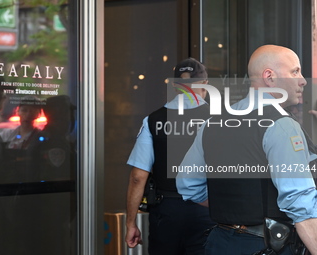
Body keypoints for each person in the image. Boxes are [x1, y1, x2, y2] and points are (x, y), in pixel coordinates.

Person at [176, 45, 317, 255]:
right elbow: (299, 202)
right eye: (295, 72)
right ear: (269, 77)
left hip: (220, 243)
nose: (303, 80)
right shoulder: (281, 125)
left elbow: (187, 184)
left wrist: (236, 211)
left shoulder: (211, 124)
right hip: (268, 245)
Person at [125, 58, 215, 255]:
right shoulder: (219, 120)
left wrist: (131, 222)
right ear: (205, 84)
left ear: (174, 86)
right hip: (208, 210)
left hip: (166, 211)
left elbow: (138, 176)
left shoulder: (153, 120)